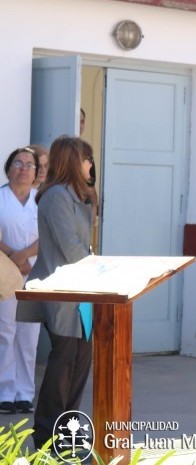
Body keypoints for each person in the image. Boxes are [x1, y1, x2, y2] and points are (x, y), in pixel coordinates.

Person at [16, 136, 94, 449]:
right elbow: (72, 249)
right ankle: (48, 435)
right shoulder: (57, 196)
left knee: (80, 361)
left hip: (85, 294)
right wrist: (101, 268)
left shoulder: (78, 195)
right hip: (63, 294)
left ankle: (69, 432)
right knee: (64, 363)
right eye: (86, 159)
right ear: (73, 161)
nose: (91, 165)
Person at [0, 147, 40, 415]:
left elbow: (48, 233)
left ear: (36, 172)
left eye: (29, 164)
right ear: (8, 168)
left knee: (29, 334)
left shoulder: (42, 200)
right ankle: (5, 392)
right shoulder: (1, 197)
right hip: (4, 271)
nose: (24, 168)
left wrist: (25, 255)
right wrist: (14, 256)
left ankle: (25, 393)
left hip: (35, 273)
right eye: (18, 163)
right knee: (5, 331)